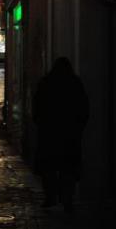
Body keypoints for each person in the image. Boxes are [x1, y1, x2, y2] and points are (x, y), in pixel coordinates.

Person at [33, 57, 89, 213]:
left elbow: (37, 105)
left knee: (49, 167)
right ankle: (67, 199)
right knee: (68, 168)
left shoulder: (46, 83)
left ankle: (50, 197)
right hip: (69, 134)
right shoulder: (74, 84)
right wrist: (78, 127)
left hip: (49, 133)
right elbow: (83, 107)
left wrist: (40, 123)